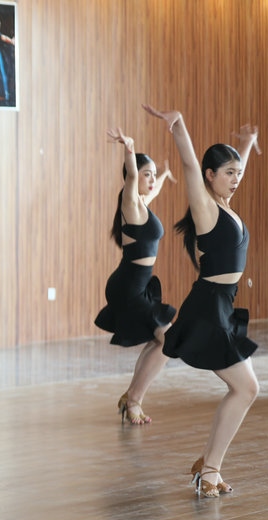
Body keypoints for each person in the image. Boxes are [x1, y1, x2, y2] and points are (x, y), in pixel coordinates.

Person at [143, 103, 261, 498]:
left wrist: (246, 144)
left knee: (245, 390)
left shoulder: (225, 205)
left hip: (222, 304)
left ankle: (208, 466)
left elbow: (232, 169)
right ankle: (209, 469)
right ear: (211, 176)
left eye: (238, 173)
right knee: (246, 389)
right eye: (228, 173)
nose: (236, 179)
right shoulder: (206, 208)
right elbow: (192, 167)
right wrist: (179, 127)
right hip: (209, 307)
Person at [94, 128, 176, 424]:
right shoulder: (129, 202)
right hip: (128, 286)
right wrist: (129, 149)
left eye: (152, 175)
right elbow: (130, 175)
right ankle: (133, 401)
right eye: (147, 174)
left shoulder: (142, 202)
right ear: (133, 177)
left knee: (160, 340)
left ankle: (132, 397)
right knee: (167, 340)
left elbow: (154, 190)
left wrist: (163, 175)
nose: (150, 180)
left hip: (137, 284)